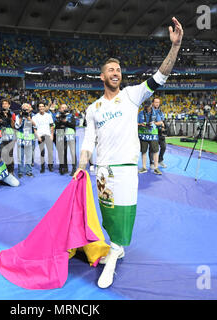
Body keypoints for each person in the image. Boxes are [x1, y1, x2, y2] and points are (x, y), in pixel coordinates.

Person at [74, 17, 183, 288]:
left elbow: (160, 76)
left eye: (118, 69)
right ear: (102, 76)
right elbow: (88, 139)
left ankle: (112, 259)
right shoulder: (93, 108)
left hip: (124, 169)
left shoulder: (133, 95)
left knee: (123, 215)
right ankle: (116, 246)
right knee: (108, 215)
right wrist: (81, 164)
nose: (116, 72)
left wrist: (175, 47)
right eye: (110, 69)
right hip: (102, 171)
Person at [138, 102, 163, 175]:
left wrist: (154, 123)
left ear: (151, 105)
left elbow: (160, 122)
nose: (146, 107)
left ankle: (156, 168)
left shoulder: (155, 113)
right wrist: (140, 124)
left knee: (155, 151)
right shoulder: (141, 113)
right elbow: (136, 123)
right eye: (145, 106)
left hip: (153, 135)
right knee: (143, 151)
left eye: (148, 106)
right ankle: (144, 167)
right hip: (143, 135)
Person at [15, 103, 36, 178]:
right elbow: (17, 126)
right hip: (21, 139)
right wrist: (21, 117)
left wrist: (29, 118)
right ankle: (20, 171)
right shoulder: (18, 116)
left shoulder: (33, 116)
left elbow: (36, 125)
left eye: (27, 108)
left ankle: (28, 171)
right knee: (20, 157)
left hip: (29, 139)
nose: (25, 109)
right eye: (23, 108)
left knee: (29, 157)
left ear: (30, 109)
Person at [55, 103, 77, 176]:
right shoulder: (58, 116)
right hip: (62, 136)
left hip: (71, 136)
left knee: (73, 153)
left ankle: (74, 169)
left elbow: (73, 125)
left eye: (65, 107)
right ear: (60, 109)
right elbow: (57, 127)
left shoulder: (71, 115)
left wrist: (65, 122)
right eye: (62, 107)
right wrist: (59, 120)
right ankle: (65, 168)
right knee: (63, 153)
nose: (64, 108)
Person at [32, 102, 54, 173]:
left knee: (50, 151)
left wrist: (52, 135)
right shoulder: (35, 117)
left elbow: (51, 126)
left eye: (42, 106)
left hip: (48, 135)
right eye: (40, 106)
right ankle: (42, 167)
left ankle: (50, 166)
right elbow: (34, 129)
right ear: (38, 108)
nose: (41, 108)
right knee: (42, 152)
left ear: (44, 107)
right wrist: (37, 137)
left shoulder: (49, 115)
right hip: (40, 136)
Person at [0, 99, 16, 174]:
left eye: (6, 103)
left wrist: (10, 117)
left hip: (11, 136)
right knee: (2, 153)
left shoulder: (12, 114)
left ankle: (11, 171)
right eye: (3, 104)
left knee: (10, 154)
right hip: (2, 136)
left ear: (9, 105)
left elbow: (13, 126)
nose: (4, 105)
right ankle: (4, 170)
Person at [149, 98, 168, 169]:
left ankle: (160, 160)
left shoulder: (160, 111)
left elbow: (162, 120)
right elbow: (151, 122)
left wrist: (163, 126)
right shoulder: (149, 111)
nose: (157, 104)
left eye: (158, 102)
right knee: (152, 148)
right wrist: (159, 123)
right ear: (153, 103)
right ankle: (151, 163)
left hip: (160, 132)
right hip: (153, 131)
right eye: (156, 102)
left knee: (163, 147)